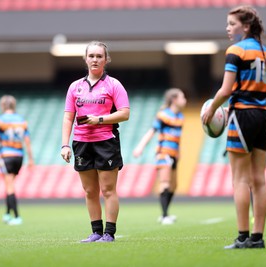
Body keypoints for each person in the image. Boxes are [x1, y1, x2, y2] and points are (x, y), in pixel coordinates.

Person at [202, 5, 266, 249]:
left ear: (246, 26)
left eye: (232, 24)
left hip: (242, 116)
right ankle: (258, 237)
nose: (228, 28)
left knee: (240, 179)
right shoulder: (265, 52)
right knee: (259, 180)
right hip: (263, 117)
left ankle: (242, 236)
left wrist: (212, 109)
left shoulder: (236, 51)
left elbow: (226, 89)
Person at [61, 41, 130, 243]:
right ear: (85, 59)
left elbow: (125, 114)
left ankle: (109, 233)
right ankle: (96, 232)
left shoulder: (113, 84)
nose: (95, 59)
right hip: (81, 142)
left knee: (108, 190)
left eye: (99, 56)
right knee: (90, 191)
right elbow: (68, 117)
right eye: (91, 56)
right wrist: (65, 145)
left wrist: (99, 120)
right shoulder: (75, 87)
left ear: (106, 60)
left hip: (106, 142)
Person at [133, 88, 186, 225]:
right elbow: (152, 131)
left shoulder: (180, 117)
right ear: (174, 100)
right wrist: (140, 147)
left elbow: (177, 138)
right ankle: (164, 215)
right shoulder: (163, 115)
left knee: (174, 185)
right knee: (165, 183)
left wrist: (179, 152)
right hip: (164, 153)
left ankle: (166, 214)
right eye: (182, 97)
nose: (184, 100)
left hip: (174, 154)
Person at [0, 95, 34, 226]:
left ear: (2, 106)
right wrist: (31, 159)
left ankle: (17, 216)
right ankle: (7, 214)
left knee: (9, 186)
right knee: (10, 184)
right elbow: (27, 142)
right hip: (19, 156)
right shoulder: (21, 121)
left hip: (6, 154)